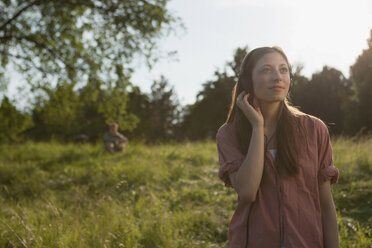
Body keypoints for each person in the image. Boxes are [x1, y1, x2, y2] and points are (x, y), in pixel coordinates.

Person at [216, 46, 339, 248]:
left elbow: (326, 205)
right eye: (266, 70)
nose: (277, 77)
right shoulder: (229, 134)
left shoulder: (314, 129)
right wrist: (258, 127)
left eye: (283, 70)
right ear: (248, 81)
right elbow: (247, 191)